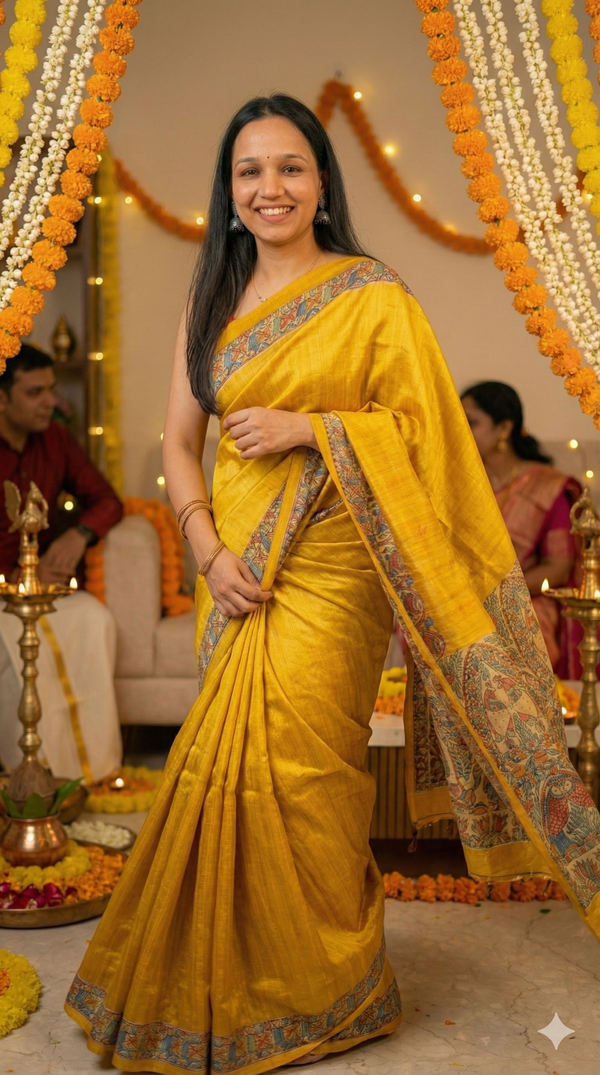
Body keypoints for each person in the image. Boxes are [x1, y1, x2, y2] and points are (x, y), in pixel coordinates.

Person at [66, 94, 600, 1074]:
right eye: (249, 172)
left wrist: (315, 427)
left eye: (290, 168)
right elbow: (179, 446)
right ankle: (232, 980)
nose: (270, 187)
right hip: (236, 566)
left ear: (321, 183)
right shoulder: (214, 301)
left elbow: (429, 439)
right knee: (228, 771)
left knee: (313, 774)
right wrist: (207, 549)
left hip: (335, 568)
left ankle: (325, 986)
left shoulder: (373, 296)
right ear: (229, 195)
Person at [0, 344, 123, 781]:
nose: (50, 401)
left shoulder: (54, 439)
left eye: (51, 390)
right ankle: (26, 778)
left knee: (94, 619)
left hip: (42, 586)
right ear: (2, 398)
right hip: (2, 594)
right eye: (35, 392)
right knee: (8, 643)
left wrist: (78, 534)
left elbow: (107, 500)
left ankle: (92, 775)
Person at [461, 381, 581, 677]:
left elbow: (559, 566)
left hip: (525, 598)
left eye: (472, 422)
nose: (461, 430)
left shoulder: (548, 486)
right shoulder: (459, 481)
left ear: (504, 428)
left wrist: (499, 595)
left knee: (524, 627)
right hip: (463, 598)